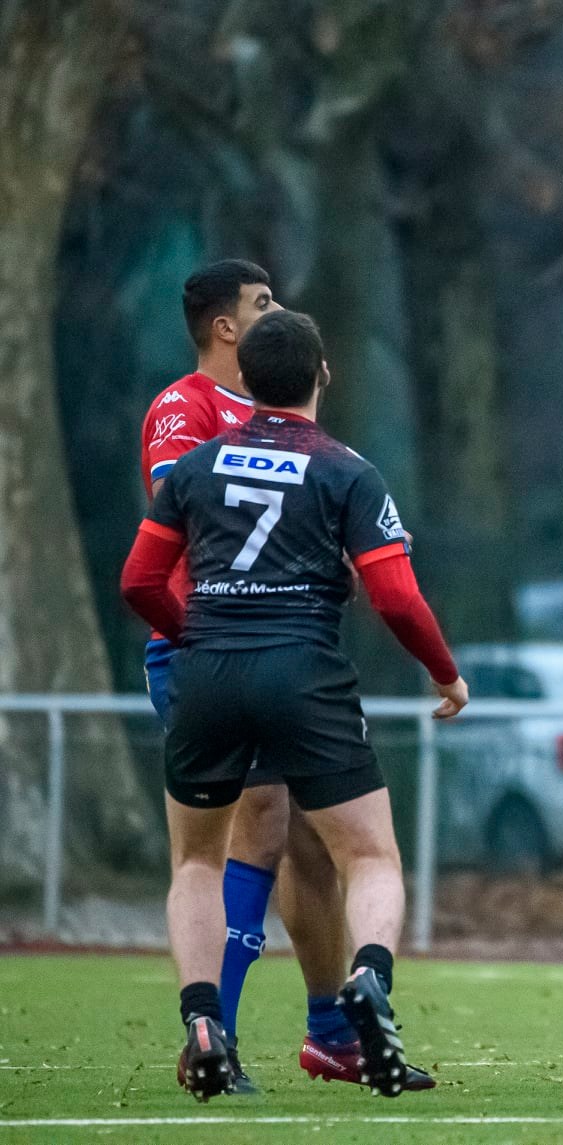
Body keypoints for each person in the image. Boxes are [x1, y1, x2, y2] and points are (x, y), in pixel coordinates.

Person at [120, 310, 469, 1101]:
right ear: (324, 375)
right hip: (303, 674)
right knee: (370, 855)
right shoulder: (346, 469)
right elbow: (396, 596)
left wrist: (202, 637)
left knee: (198, 861)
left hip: (206, 669)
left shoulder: (197, 468)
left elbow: (139, 582)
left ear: (244, 377)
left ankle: (205, 1021)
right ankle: (370, 978)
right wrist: (445, 675)